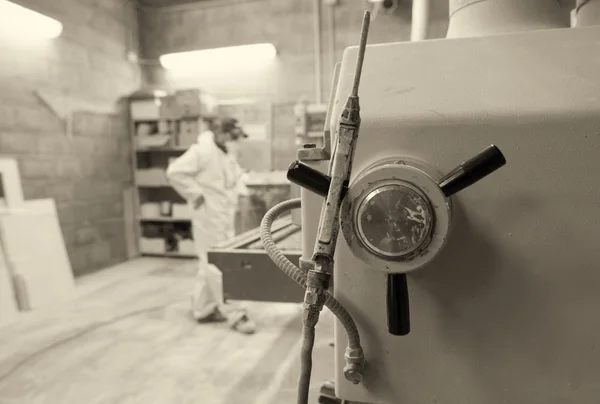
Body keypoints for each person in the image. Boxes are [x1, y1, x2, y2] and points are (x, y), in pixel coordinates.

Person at [166, 117, 256, 335]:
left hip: (223, 216)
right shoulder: (201, 152)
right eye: (233, 137)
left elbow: (233, 178)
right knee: (219, 264)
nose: (236, 142)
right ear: (222, 134)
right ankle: (235, 312)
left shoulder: (226, 153)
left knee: (209, 264)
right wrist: (195, 194)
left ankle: (203, 309)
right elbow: (174, 172)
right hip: (208, 216)